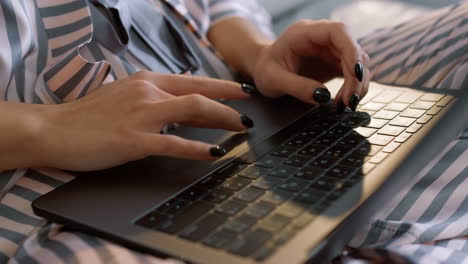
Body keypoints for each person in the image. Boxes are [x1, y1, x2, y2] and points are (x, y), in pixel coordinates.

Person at [0, 0, 466, 263]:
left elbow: (220, 6)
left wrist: (260, 53)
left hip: (254, 102)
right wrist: (50, 125)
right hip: (70, 190)